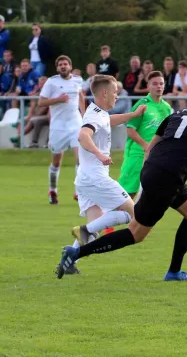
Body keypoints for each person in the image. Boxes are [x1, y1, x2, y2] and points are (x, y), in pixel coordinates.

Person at [56, 84, 187, 281]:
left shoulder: (178, 113)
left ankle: (174, 271)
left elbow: (150, 149)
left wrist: (151, 175)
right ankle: (76, 253)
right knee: (136, 233)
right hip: (169, 177)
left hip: (156, 170)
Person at [63, 75, 147, 274]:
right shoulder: (93, 116)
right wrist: (99, 154)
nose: (117, 95)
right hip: (95, 178)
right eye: (115, 91)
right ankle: (85, 230)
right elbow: (83, 135)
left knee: (97, 223)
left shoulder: (98, 112)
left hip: (84, 179)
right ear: (104, 93)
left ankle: (69, 261)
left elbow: (109, 121)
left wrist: (133, 115)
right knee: (131, 213)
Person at [37, 55, 85, 205]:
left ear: (70, 66)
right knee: (57, 161)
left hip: (75, 124)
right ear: (57, 68)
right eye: (60, 65)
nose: (63, 66)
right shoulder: (52, 82)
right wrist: (58, 99)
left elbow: (81, 97)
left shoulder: (78, 80)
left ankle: (79, 192)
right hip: (58, 127)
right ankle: (53, 190)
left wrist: (85, 117)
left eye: (66, 64)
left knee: (81, 158)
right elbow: (41, 102)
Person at [119, 71, 172, 199]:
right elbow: (130, 130)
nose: (159, 86)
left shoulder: (167, 107)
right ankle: (108, 215)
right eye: (155, 84)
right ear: (148, 86)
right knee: (128, 192)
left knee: (149, 193)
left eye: (161, 84)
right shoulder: (142, 104)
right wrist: (145, 146)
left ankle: (136, 218)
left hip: (156, 156)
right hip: (137, 153)